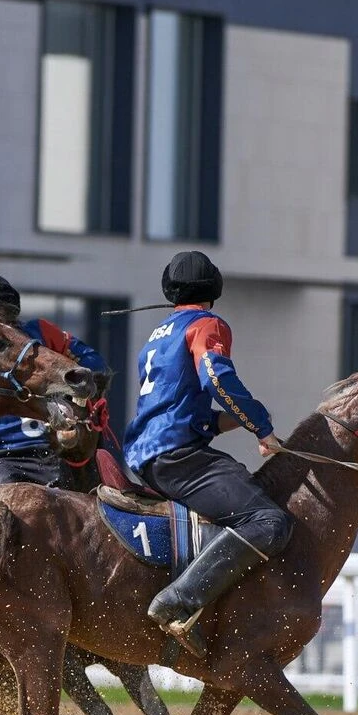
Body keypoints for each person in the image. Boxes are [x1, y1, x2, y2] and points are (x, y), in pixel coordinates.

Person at [121, 250, 292, 658]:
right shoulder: (207, 324)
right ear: (214, 289)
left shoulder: (157, 334)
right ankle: (177, 601)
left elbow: (183, 409)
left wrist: (236, 421)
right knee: (268, 521)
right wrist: (262, 428)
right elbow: (217, 379)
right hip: (177, 456)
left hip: (150, 455)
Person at [0, 273, 112, 488]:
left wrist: (63, 392)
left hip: (51, 449)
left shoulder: (38, 331)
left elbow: (94, 363)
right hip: (2, 457)